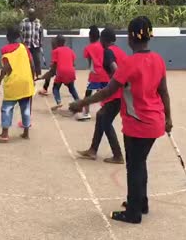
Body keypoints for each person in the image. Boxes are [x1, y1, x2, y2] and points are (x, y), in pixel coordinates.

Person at [69, 16, 173, 224]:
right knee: (140, 164)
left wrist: (82, 103)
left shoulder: (129, 63)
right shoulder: (158, 60)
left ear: (130, 38)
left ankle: (133, 212)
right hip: (155, 122)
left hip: (137, 125)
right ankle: (140, 203)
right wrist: (169, 117)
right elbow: (164, 92)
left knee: (134, 167)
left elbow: (108, 91)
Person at [76, 28, 126, 164]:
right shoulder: (120, 51)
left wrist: (115, 84)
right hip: (120, 92)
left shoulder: (108, 52)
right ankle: (93, 150)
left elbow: (116, 71)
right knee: (101, 116)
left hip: (116, 92)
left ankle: (118, 155)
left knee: (105, 120)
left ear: (103, 40)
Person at [0, 25, 35, 143]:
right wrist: (32, 79)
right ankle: (26, 133)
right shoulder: (24, 48)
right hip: (26, 82)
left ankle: (4, 134)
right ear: (18, 36)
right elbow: (32, 64)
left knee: (7, 108)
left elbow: (6, 68)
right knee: (26, 108)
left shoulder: (5, 50)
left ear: (7, 37)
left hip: (13, 83)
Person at [77, 25, 111, 121]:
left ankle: (86, 113)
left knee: (88, 94)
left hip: (95, 74)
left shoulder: (88, 48)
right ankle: (107, 111)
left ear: (90, 37)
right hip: (105, 73)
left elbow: (89, 63)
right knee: (105, 94)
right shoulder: (103, 46)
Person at [38, 35, 79, 110]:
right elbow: (73, 62)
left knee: (55, 88)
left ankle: (59, 102)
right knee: (72, 88)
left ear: (56, 42)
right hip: (71, 71)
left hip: (61, 72)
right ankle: (78, 101)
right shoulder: (70, 50)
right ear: (65, 42)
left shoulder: (55, 51)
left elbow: (54, 66)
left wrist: (48, 74)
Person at [20, 8, 50, 95]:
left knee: (37, 60)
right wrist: (22, 42)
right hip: (27, 44)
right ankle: (28, 76)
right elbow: (20, 32)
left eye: (32, 14)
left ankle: (38, 75)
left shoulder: (38, 22)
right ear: (28, 14)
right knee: (27, 61)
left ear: (35, 14)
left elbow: (41, 32)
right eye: (30, 14)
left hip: (35, 44)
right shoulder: (24, 21)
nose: (31, 16)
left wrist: (41, 42)